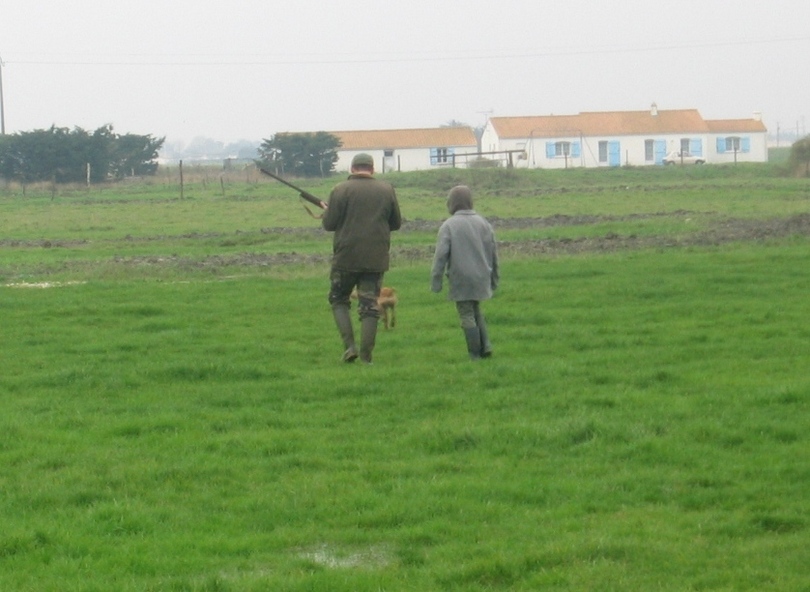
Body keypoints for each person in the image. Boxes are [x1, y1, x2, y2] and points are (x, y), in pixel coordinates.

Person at [322, 153, 402, 364]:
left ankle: (350, 347)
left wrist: (328, 212)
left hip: (346, 257)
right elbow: (396, 223)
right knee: (369, 306)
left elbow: (329, 225)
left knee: (339, 299)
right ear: (372, 169)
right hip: (375, 258)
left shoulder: (340, 190)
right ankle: (367, 357)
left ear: (352, 168)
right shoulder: (387, 189)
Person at [431, 185, 499, 360]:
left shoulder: (449, 226)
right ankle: (486, 346)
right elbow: (493, 254)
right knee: (476, 308)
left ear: (451, 203)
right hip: (482, 276)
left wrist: (436, 280)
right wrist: (494, 278)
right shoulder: (484, 223)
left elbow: (440, 256)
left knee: (466, 314)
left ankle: (474, 354)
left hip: (461, 278)